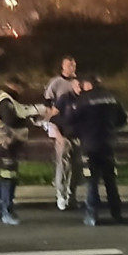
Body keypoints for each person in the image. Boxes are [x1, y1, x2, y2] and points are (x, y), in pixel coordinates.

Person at [71, 74, 128, 227]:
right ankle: (116, 213)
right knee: (110, 181)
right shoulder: (112, 98)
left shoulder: (83, 100)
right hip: (108, 143)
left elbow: (72, 120)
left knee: (92, 181)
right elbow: (122, 119)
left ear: (88, 85)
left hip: (90, 145)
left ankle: (92, 215)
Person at [0, 76, 36, 226]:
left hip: (5, 144)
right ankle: (6, 211)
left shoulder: (7, 99)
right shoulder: (6, 101)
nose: (22, 90)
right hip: (6, 144)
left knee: (4, 177)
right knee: (9, 178)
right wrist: (28, 120)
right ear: (14, 85)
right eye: (20, 87)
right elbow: (11, 120)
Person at [44, 56, 82, 211]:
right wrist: (54, 130)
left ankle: (72, 195)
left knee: (76, 167)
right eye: (69, 65)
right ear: (63, 66)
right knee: (63, 165)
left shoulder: (80, 92)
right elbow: (49, 106)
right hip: (61, 131)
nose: (72, 68)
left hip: (77, 134)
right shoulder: (57, 84)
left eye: (73, 65)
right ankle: (61, 194)